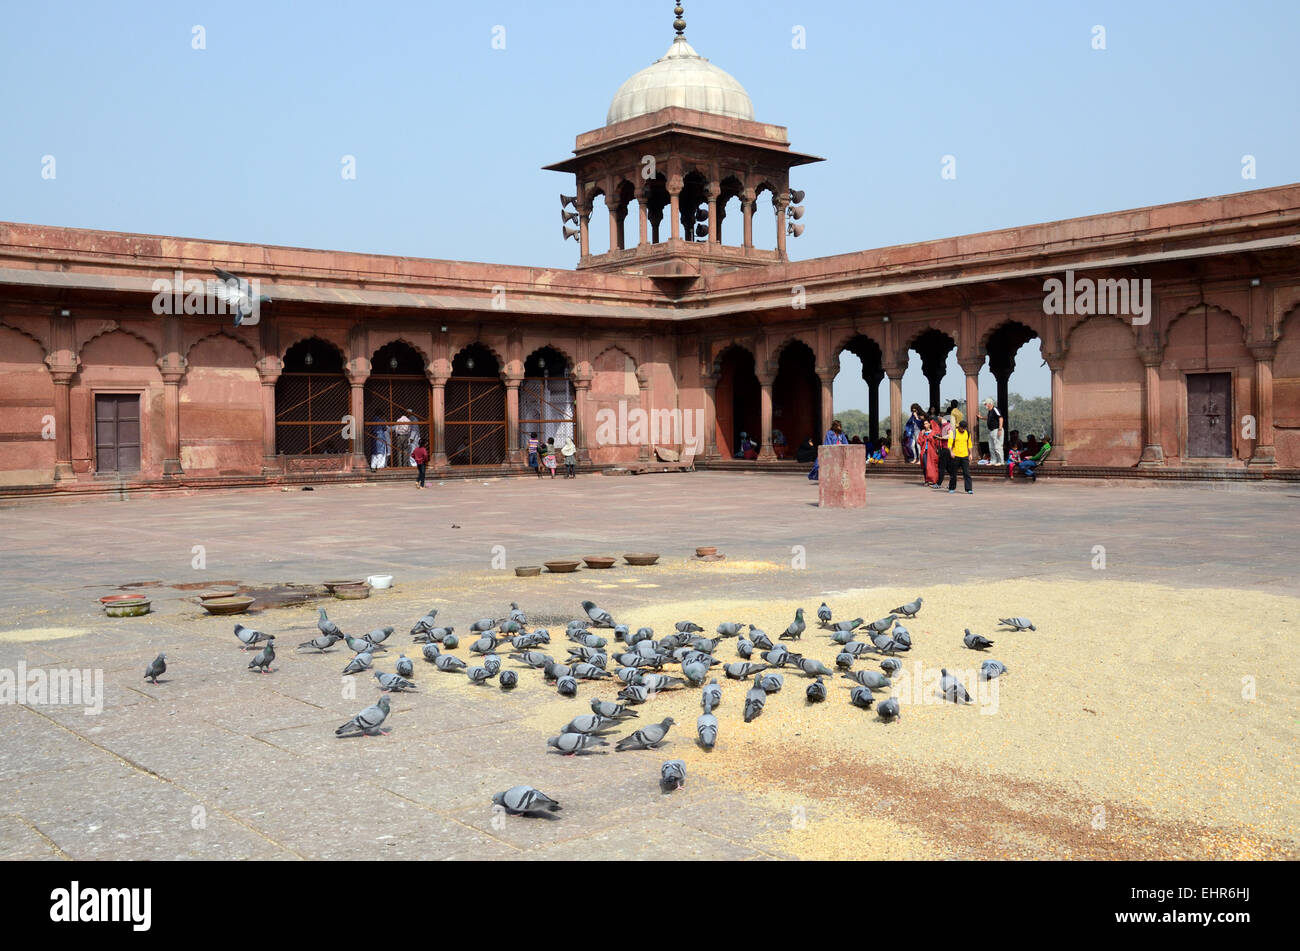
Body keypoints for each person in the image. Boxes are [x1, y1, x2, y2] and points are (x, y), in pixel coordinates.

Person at [947, 418, 973, 494]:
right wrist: (951, 452)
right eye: (962, 428)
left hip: (964, 455)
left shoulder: (967, 433)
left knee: (967, 473)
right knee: (953, 473)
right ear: (959, 427)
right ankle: (952, 487)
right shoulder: (954, 433)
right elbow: (949, 444)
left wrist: (970, 454)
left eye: (965, 428)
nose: (963, 430)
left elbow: (969, 444)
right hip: (956, 456)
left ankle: (969, 489)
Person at [984, 398, 1005, 466]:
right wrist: (981, 417)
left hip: (997, 430)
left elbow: (1000, 418)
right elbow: (988, 418)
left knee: (998, 446)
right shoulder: (990, 411)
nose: (985, 405)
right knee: (991, 447)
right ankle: (993, 460)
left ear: (990, 404)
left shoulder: (995, 409)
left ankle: (1000, 461)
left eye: (986, 404)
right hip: (991, 431)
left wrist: (1000, 429)